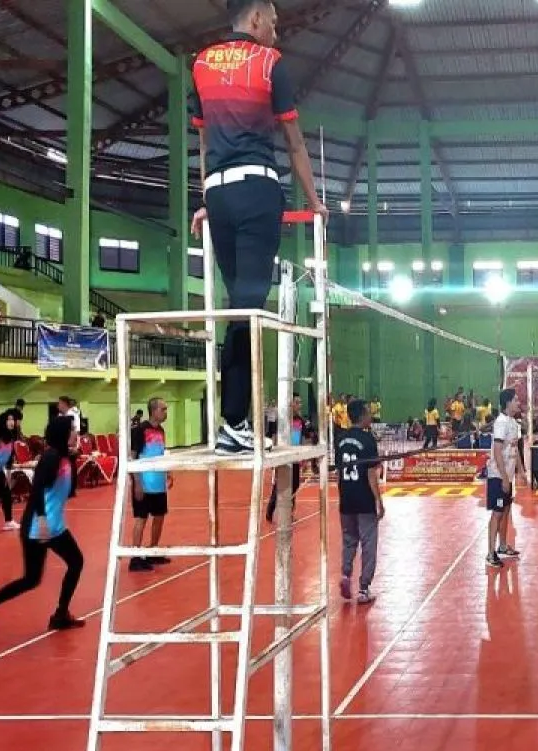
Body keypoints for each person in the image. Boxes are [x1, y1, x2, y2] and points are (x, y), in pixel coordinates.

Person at [190, 0, 327, 455]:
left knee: (238, 308)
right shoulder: (270, 63)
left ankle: (233, 421)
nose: (276, 31)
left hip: (219, 194)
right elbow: (295, 143)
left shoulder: (201, 64)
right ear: (255, 19)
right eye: (274, 22)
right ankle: (233, 422)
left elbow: (204, 144)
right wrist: (315, 203)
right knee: (248, 307)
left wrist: (207, 199)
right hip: (256, 191)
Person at [0, 417, 85, 641]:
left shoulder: (64, 456)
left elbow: (69, 491)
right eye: (72, 430)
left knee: (65, 566)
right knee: (34, 578)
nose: (75, 434)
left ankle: (59, 615)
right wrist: (42, 519)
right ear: (62, 434)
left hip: (55, 524)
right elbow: (36, 489)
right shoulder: (51, 457)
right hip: (39, 525)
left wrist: (73, 458)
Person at [336, 399, 383, 604]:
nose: (370, 416)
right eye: (368, 413)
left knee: (349, 540)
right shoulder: (368, 439)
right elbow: (371, 474)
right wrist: (378, 500)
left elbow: (339, 472)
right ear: (362, 415)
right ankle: (364, 588)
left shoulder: (340, 439)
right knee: (368, 542)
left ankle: (346, 575)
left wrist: (342, 495)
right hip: (364, 499)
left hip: (346, 498)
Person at [128, 398, 173, 572]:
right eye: (163, 409)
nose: (165, 412)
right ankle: (135, 557)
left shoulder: (161, 430)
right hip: (144, 483)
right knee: (141, 518)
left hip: (158, 483)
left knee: (159, 517)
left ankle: (153, 551)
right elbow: (132, 457)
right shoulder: (140, 430)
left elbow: (161, 453)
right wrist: (137, 483)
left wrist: (168, 472)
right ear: (153, 411)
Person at [485, 389, 525, 569]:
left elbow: (515, 450)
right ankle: (490, 553)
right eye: (515, 400)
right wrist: (503, 478)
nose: (518, 402)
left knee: (506, 510)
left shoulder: (514, 423)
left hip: (508, 476)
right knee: (497, 512)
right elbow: (497, 451)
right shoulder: (501, 423)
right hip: (498, 476)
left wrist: (521, 471)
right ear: (508, 402)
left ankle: (502, 546)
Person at [266, 394, 305, 524]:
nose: (299, 405)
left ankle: (290, 514)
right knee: (279, 485)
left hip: (295, 458)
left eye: (300, 402)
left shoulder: (300, 421)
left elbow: (302, 439)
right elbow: (273, 437)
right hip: (282, 457)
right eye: (297, 402)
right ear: (290, 404)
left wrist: (303, 457)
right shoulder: (281, 420)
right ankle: (270, 510)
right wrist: (273, 456)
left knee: (295, 486)